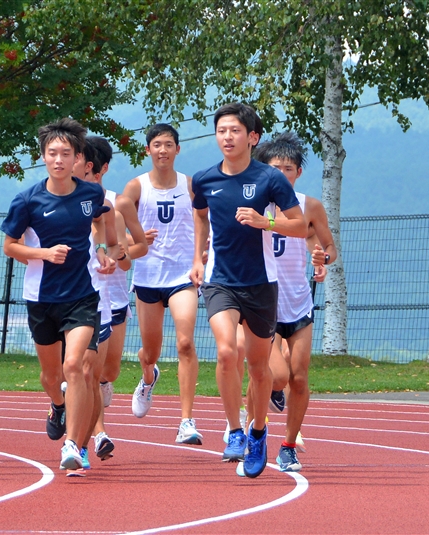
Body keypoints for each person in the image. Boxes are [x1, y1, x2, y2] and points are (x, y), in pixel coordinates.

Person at [191, 102, 306, 478]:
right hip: (220, 279)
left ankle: (258, 432)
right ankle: (236, 432)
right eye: (222, 130)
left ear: (252, 137)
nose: (227, 136)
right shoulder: (204, 179)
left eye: (235, 130)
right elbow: (200, 215)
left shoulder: (270, 179)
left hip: (260, 283)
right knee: (226, 352)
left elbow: (298, 224)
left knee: (259, 370)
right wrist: (197, 257)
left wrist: (264, 220)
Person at [1, 118, 114, 472]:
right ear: (43, 157)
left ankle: (74, 445)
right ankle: (57, 404)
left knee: (76, 366)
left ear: (79, 157)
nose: (59, 159)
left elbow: (100, 224)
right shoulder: (28, 200)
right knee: (52, 377)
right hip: (42, 298)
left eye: (66, 153)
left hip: (82, 295)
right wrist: (44, 254)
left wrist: (102, 251)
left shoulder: (91, 194)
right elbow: (9, 246)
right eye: (53, 153)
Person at [248, 132, 337, 472]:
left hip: (298, 304)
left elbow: (329, 248)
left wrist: (321, 260)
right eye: (275, 168)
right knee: (277, 376)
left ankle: (287, 446)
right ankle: (255, 422)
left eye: (289, 168)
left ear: (298, 172)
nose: (282, 174)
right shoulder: (254, 204)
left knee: (299, 378)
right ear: (264, 171)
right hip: (262, 303)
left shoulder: (309, 206)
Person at [120, 123, 204, 446]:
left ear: (178, 149)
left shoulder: (190, 185)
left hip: (182, 277)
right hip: (148, 277)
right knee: (151, 351)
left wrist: (202, 253)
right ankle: (148, 376)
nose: (163, 150)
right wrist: (135, 237)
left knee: (185, 343)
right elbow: (115, 228)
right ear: (148, 150)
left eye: (169, 144)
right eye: (157, 144)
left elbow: (205, 219)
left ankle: (185, 421)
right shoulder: (137, 187)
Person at [85, 136, 147, 461]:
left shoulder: (115, 205)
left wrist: (120, 255)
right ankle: (98, 435)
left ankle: (100, 386)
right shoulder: (62, 200)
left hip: (116, 298)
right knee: (88, 372)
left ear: (102, 169)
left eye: (92, 167)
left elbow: (132, 252)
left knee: (108, 372)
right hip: (82, 301)